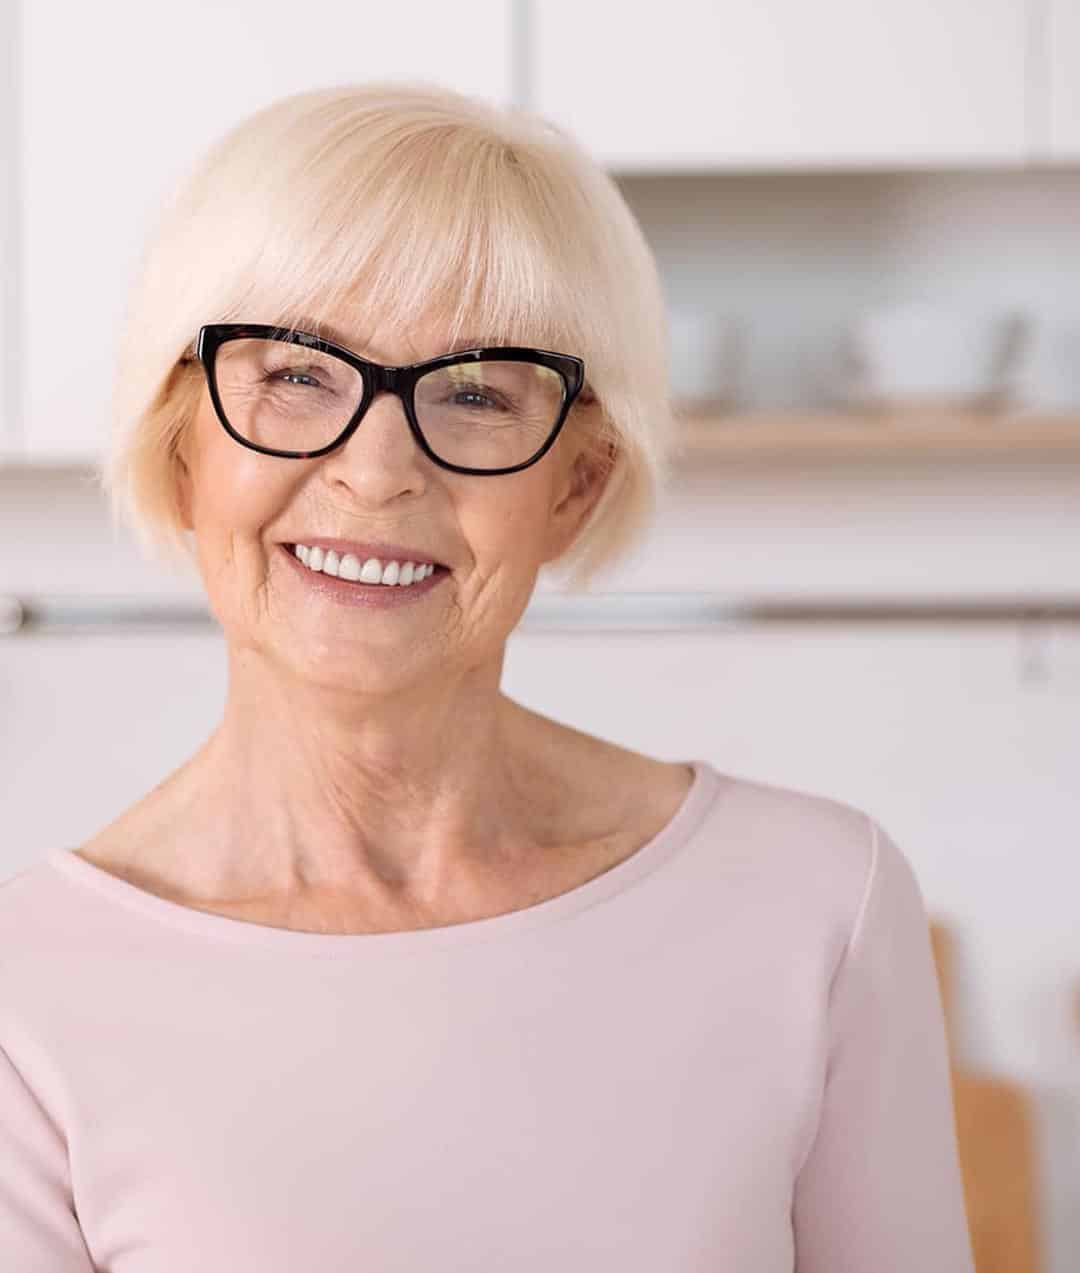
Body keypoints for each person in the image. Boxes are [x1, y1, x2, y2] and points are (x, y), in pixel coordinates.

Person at [0, 81, 975, 1271]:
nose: (374, 471)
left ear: (576, 485)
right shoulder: (28, 991)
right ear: (184, 439)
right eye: (296, 372)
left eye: (473, 393)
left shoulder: (821, 901)